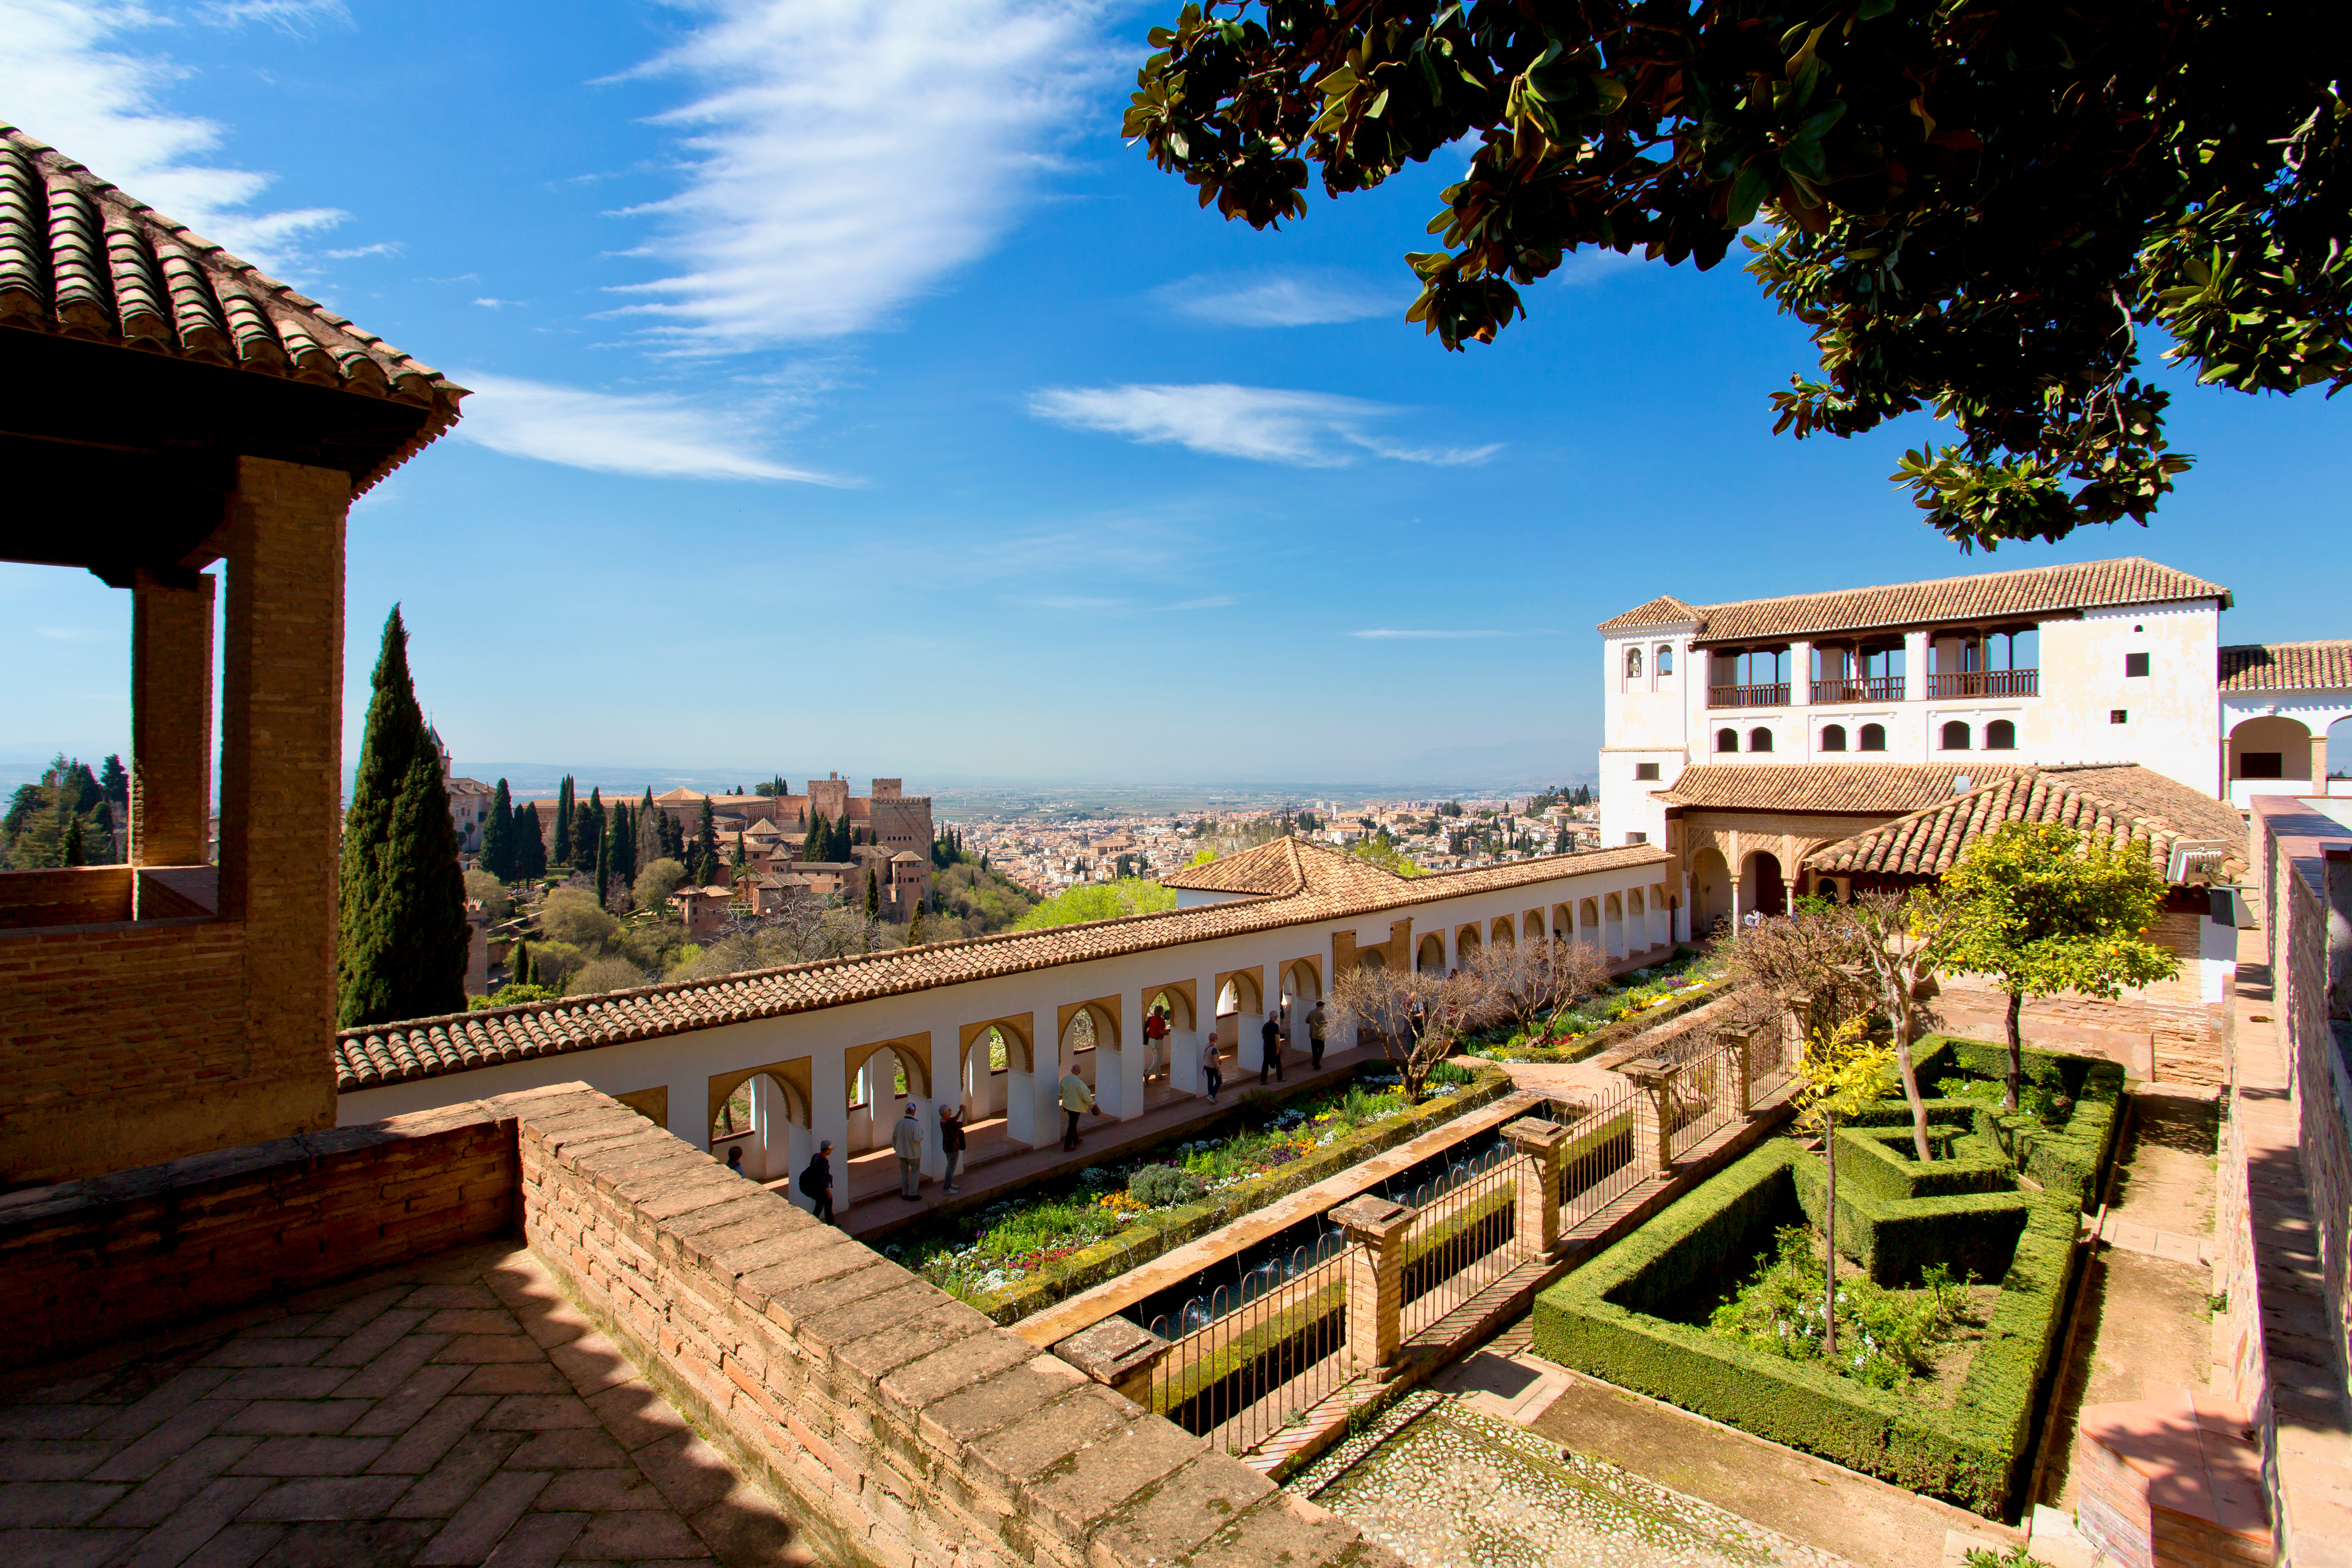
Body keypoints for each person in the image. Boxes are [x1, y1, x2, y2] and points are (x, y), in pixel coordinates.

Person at [1059, 1065, 1096, 1150]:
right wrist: (1094, 1104)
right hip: (1075, 1108)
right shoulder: (1080, 1084)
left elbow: (1061, 1090)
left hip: (1067, 1105)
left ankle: (1076, 1140)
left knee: (1073, 1123)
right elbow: (1087, 1097)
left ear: (1071, 1070)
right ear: (1080, 1072)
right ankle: (1067, 1146)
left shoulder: (1065, 1079)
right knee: (1072, 1125)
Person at [799, 1140, 835, 1225]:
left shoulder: (817, 1156)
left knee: (827, 1201)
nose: (832, 1150)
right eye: (831, 1149)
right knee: (822, 1202)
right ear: (827, 1150)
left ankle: (830, 1221)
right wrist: (828, 1192)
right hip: (817, 1187)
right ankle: (813, 1222)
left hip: (813, 1185)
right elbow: (822, 1179)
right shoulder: (823, 1163)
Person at [891, 1102, 923, 1200]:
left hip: (901, 1153)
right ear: (914, 1112)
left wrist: (897, 1149)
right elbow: (918, 1138)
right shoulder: (915, 1124)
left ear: (906, 1111)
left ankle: (905, 1192)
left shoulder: (899, 1123)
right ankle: (912, 1193)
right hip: (913, 1154)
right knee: (915, 1172)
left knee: (904, 1173)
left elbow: (894, 1137)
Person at [939, 1103, 966, 1195]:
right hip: (953, 1148)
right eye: (949, 1110)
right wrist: (965, 1112)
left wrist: (960, 1112)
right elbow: (965, 1123)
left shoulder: (943, 1121)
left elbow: (954, 1119)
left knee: (950, 1167)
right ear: (945, 1113)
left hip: (947, 1147)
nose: (951, 1111)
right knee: (951, 1169)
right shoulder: (949, 1124)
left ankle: (950, 1184)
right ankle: (947, 1189)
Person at [1143, 1007, 1171, 1080]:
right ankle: (1148, 1074)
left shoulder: (1151, 1019)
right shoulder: (1161, 1020)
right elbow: (1161, 1031)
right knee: (1158, 1060)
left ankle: (1158, 1075)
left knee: (1155, 1059)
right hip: (1158, 1041)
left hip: (1150, 1040)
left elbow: (1145, 1025)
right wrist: (1167, 1032)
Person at [1259, 1012, 1285, 1084]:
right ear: (1275, 1017)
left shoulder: (1265, 1025)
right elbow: (1277, 1038)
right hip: (1273, 1047)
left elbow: (1263, 1037)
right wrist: (1278, 1049)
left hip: (1266, 1047)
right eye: (1277, 1016)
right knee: (1278, 1063)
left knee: (1265, 1063)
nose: (1277, 1017)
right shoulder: (1276, 1026)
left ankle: (1263, 1080)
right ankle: (1280, 1078)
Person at [1201, 1030, 1223, 1103]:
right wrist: (1219, 1071)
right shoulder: (1214, 1049)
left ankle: (1211, 1097)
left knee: (1210, 1082)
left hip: (1207, 1067)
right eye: (1217, 1038)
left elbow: (1205, 1056)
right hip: (1213, 1068)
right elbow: (1214, 1061)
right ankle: (1212, 1096)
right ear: (1214, 1039)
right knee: (1219, 1082)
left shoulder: (1207, 1046)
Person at [1307, 1002, 1327, 1071]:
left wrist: (1312, 1023)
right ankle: (1316, 1063)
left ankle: (1316, 1065)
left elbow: (1307, 1021)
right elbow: (1325, 1024)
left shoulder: (1312, 1012)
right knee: (1321, 1049)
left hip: (1312, 1034)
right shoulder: (1321, 1014)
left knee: (1315, 1051)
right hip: (1320, 1035)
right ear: (1321, 1007)